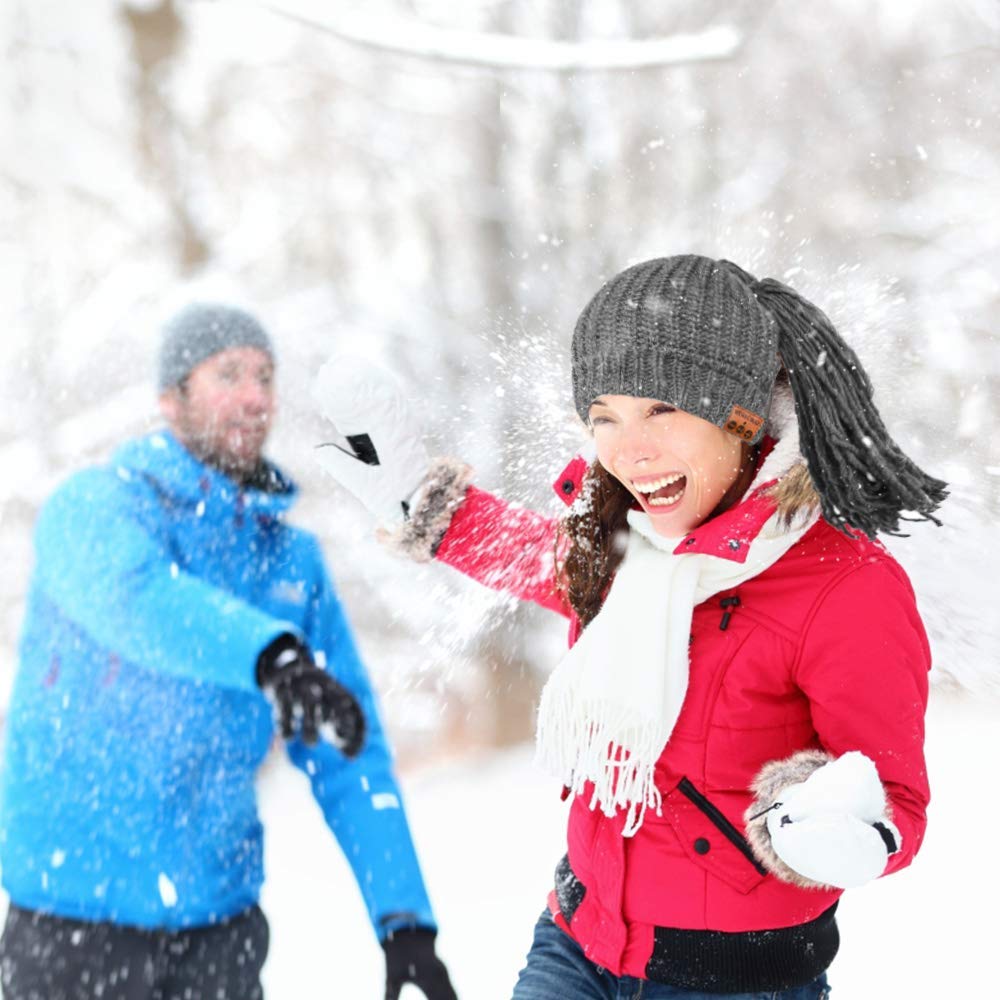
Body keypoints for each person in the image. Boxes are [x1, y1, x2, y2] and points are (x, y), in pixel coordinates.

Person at [313, 255, 946, 998]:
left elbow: (894, 801)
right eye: (604, 416)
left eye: (660, 410)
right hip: (577, 942)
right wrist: (425, 504)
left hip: (733, 982)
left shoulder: (845, 588)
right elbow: (533, 556)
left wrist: (840, 830)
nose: (628, 449)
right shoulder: (622, 539)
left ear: (739, 416)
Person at [0, 303, 457, 1000]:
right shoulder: (92, 507)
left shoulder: (291, 563)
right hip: (71, 932)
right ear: (170, 398)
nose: (255, 395)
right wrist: (271, 656)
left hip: (219, 937)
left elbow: (347, 746)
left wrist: (404, 921)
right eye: (229, 373)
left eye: (266, 376)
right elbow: (139, 601)